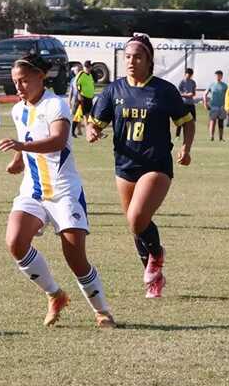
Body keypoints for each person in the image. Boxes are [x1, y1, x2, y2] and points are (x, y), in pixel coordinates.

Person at [0, 53, 116, 328]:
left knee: (76, 259)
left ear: (41, 76)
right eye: (15, 82)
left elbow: (59, 140)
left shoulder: (56, 105)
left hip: (64, 191)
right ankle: (55, 295)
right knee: (15, 241)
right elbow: (27, 139)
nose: (19, 87)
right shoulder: (18, 109)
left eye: (24, 80)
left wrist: (21, 148)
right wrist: (17, 160)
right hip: (32, 191)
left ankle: (101, 311)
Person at [87, 33, 194, 298]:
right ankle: (153, 278)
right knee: (136, 226)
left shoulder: (163, 90)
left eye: (137, 57)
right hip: (125, 166)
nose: (131, 61)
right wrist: (91, 130)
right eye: (127, 57)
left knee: (137, 218)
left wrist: (186, 148)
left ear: (149, 60)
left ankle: (157, 256)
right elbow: (95, 121)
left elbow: (187, 121)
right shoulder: (114, 90)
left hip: (156, 164)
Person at [203, 70, 228, 141]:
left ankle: (221, 137)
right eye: (217, 75)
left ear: (222, 76)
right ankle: (211, 136)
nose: (218, 77)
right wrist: (205, 103)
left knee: (221, 122)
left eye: (219, 75)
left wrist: (226, 104)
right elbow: (205, 94)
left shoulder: (224, 85)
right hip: (213, 106)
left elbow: (227, 95)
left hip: (222, 106)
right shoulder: (212, 85)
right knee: (212, 121)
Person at [73, 61, 95, 138]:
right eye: (86, 67)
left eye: (89, 67)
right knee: (85, 116)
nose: (88, 68)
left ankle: (76, 131)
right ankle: (87, 132)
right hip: (83, 98)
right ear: (84, 67)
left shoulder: (90, 75)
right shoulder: (81, 74)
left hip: (89, 98)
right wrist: (79, 94)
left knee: (84, 115)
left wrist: (92, 93)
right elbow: (76, 84)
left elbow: (91, 85)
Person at [177, 68, 197, 137]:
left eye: (191, 75)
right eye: (188, 75)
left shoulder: (193, 82)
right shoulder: (182, 82)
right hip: (183, 103)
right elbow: (178, 93)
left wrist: (192, 94)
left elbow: (194, 93)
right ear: (185, 74)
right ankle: (177, 135)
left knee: (192, 120)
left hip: (191, 104)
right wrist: (186, 95)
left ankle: (190, 135)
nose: (189, 76)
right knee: (181, 120)